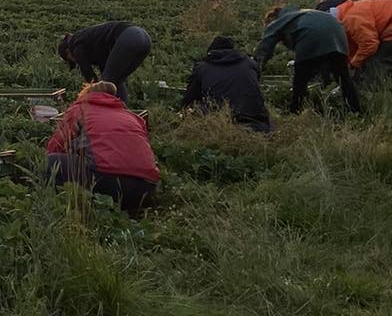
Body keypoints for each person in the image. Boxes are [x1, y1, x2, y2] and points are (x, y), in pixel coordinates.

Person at [44, 82, 160, 215]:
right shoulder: (132, 116)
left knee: (49, 162)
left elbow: (55, 146)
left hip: (110, 185)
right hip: (146, 188)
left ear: (85, 95)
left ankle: (69, 211)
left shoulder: (80, 109)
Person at [253, 6, 362, 114]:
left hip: (311, 36)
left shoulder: (280, 20)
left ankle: (295, 110)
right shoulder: (302, 13)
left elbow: (266, 44)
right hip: (338, 33)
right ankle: (355, 110)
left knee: (300, 79)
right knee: (343, 78)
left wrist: (256, 66)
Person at [327, 0, 392, 84]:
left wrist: (354, 63)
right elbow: (356, 45)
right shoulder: (348, 13)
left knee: (378, 63)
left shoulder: (351, 20)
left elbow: (369, 45)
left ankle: (367, 91)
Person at [179, 36, 271, 133]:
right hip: (257, 121)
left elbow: (190, 98)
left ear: (211, 51)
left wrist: (181, 112)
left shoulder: (202, 68)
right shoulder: (250, 63)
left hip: (220, 122)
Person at [58, 21, 152, 103]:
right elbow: (105, 69)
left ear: (68, 51)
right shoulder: (91, 43)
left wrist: (83, 99)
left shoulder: (75, 45)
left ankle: (111, 112)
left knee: (107, 82)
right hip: (144, 39)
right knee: (116, 80)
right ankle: (122, 111)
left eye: (71, 60)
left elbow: (91, 79)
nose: (76, 62)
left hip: (129, 37)